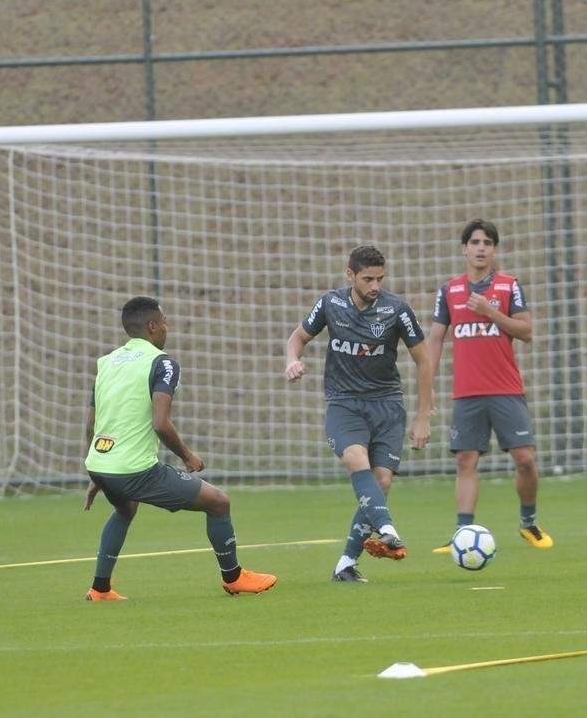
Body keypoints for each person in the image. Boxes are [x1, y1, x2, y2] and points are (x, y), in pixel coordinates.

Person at [82, 296, 277, 599]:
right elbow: (161, 423)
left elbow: (90, 427)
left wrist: (98, 473)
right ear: (152, 326)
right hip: (134, 470)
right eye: (164, 322)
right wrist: (188, 456)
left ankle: (100, 589)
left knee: (124, 508)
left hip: (100, 461)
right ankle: (233, 577)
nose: (167, 328)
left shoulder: (106, 363)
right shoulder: (162, 363)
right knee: (218, 502)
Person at [285, 244, 433, 583]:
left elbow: (424, 361)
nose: (376, 286)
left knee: (381, 482)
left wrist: (424, 415)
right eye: (368, 279)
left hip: (387, 405)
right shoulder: (330, 303)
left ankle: (345, 565)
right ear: (350, 275)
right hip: (345, 402)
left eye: (381, 278)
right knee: (355, 459)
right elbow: (298, 337)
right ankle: (387, 528)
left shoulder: (398, 310)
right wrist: (292, 360)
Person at [426, 219, 554, 552]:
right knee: (465, 461)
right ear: (464, 249)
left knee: (525, 459)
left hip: (506, 390)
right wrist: (427, 385)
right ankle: (461, 535)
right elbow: (436, 340)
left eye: (487, 242)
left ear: (494, 249)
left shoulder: (509, 286)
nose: (481, 247)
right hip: (467, 393)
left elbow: (526, 332)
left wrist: (489, 312)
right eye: (475, 242)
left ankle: (529, 523)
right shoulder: (450, 290)